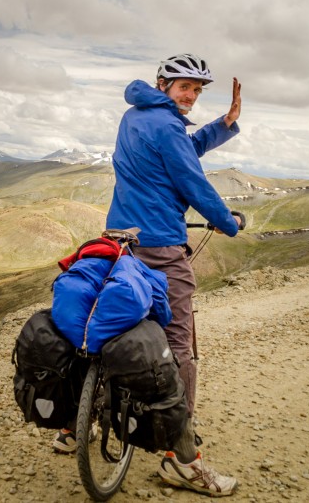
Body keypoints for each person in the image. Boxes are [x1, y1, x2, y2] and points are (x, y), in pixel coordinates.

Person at [53, 53, 242, 497]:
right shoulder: (168, 125)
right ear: (163, 84)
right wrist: (229, 223)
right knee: (179, 348)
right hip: (159, 246)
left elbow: (178, 150)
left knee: (105, 325)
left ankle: (70, 425)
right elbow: (192, 179)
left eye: (197, 90)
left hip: (118, 239)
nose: (191, 96)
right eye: (185, 87)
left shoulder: (136, 116)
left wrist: (224, 123)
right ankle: (181, 458)